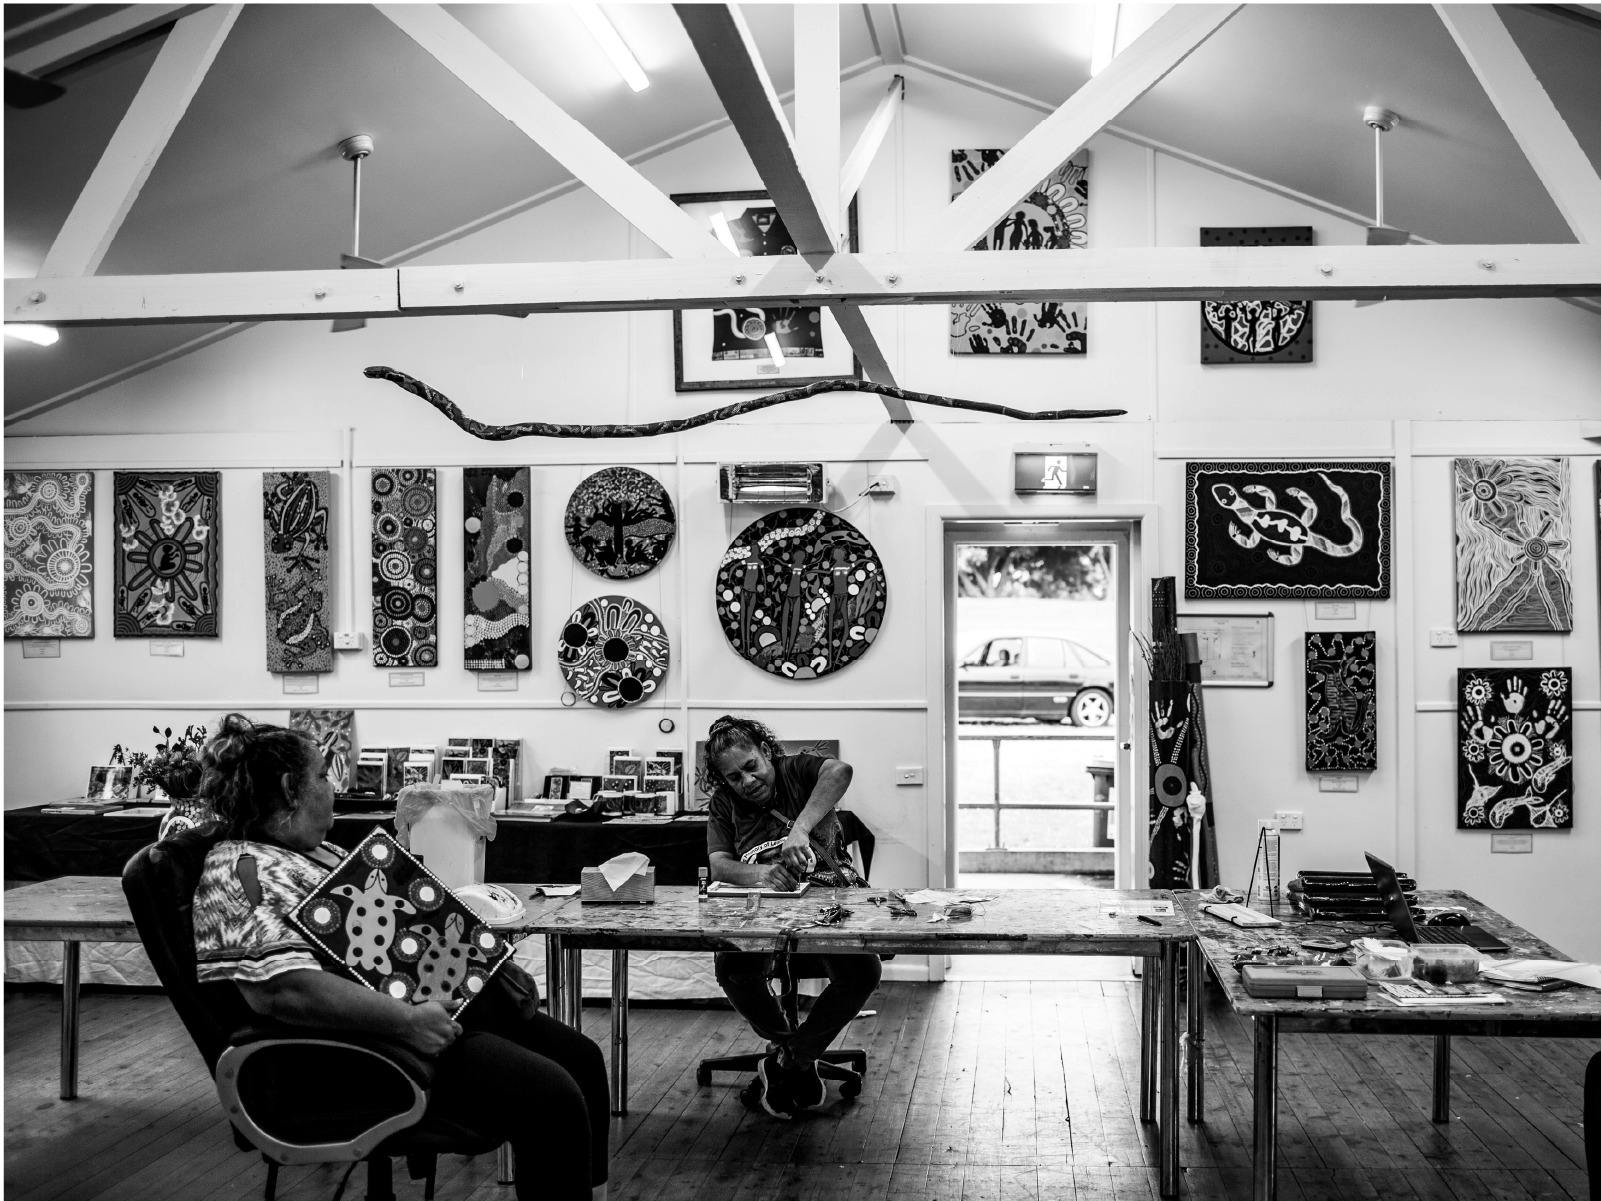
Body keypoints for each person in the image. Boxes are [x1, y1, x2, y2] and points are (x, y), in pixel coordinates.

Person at [190, 713, 609, 1201]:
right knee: (549, 1096)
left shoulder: (305, 851)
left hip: (414, 1016)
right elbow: (283, 990)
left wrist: (484, 967)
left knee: (582, 1058)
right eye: (323, 775)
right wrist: (409, 1021)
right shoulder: (242, 870)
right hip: (361, 1051)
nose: (332, 787)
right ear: (290, 789)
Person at [703, 714, 881, 1119]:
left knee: (862, 973)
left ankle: (787, 1062)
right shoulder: (723, 804)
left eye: (751, 767)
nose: (747, 782)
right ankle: (793, 1052)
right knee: (734, 969)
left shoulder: (796, 768)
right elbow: (720, 866)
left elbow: (840, 770)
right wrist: (763, 874)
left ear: (766, 752)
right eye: (733, 777)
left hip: (825, 907)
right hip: (762, 912)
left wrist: (800, 829)